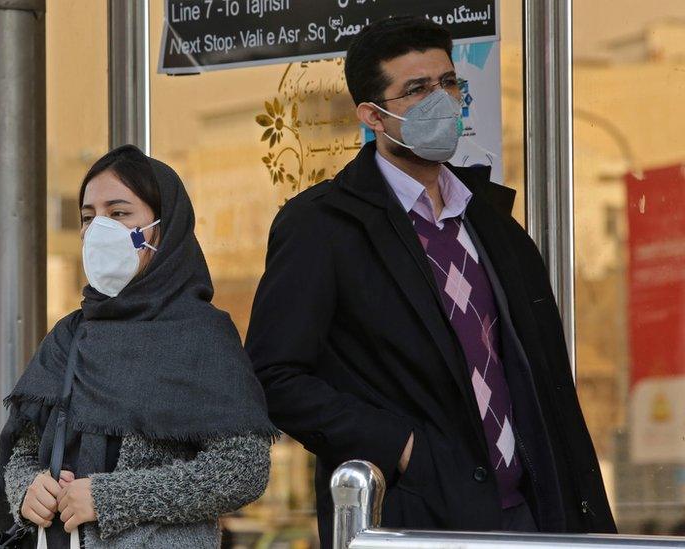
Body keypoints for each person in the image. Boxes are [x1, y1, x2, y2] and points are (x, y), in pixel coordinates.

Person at [245, 16, 616, 548]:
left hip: (528, 516)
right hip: (415, 520)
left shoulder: (490, 222)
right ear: (373, 115)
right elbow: (273, 375)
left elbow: (541, 381)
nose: (440, 100)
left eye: (447, 83)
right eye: (416, 89)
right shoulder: (323, 227)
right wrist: (401, 447)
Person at [0, 145, 277, 548]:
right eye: (88, 217)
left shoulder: (201, 336)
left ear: (163, 226)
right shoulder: (69, 336)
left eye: (119, 213)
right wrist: (28, 490)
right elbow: (26, 452)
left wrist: (108, 498)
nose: (99, 229)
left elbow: (242, 469)